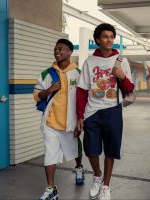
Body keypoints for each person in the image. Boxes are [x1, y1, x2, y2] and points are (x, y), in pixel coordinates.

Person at [76, 23, 134, 200]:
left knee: (111, 150)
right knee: (91, 150)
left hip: (113, 110)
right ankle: (97, 175)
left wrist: (121, 76)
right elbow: (82, 91)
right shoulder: (89, 62)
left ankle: (106, 186)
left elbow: (130, 88)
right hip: (92, 112)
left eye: (111, 36)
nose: (109, 40)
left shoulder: (122, 61)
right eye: (105, 36)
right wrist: (79, 116)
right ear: (97, 40)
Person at [33, 39, 85, 200]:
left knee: (75, 149)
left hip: (70, 122)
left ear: (70, 52)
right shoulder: (47, 74)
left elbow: (84, 99)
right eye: (55, 49)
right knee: (50, 154)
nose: (57, 51)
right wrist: (48, 90)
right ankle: (51, 189)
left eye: (61, 49)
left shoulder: (79, 73)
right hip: (50, 123)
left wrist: (81, 120)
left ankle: (78, 168)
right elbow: (36, 95)